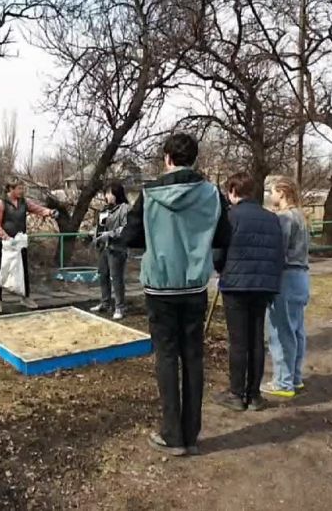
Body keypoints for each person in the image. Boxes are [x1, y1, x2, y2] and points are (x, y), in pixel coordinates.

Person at [118, 133, 222, 457]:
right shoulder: (211, 193)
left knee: (165, 356)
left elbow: (131, 237)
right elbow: (224, 235)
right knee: (193, 357)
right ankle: (191, 435)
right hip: (194, 286)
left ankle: (171, 433)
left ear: (166, 158)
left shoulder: (149, 194)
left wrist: (156, 240)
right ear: (194, 159)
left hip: (160, 287)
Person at [213, 172, 285, 413]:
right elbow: (278, 254)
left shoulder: (230, 216)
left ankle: (236, 394)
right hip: (263, 285)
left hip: (236, 285)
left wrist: (220, 269)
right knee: (256, 339)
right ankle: (253, 395)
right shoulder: (272, 218)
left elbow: (218, 252)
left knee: (238, 341)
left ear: (233, 191)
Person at [261, 177, 310, 399]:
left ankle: (283, 381)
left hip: (286, 276)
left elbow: (277, 251)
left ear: (281, 192)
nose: (269, 195)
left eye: (271, 191)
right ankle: (295, 377)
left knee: (280, 332)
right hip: (301, 276)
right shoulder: (301, 216)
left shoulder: (284, 218)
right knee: (297, 330)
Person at [0, 179, 58, 313]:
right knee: (0, 270)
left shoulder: (23, 202)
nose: (22, 191)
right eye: (19, 188)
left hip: (19, 241)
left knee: (24, 269)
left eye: (22, 188)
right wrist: (6, 237)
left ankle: (25, 297)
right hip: (3, 243)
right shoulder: (1, 203)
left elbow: (37, 209)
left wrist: (49, 212)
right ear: (11, 189)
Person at [90, 183, 131, 320]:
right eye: (106, 193)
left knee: (116, 277)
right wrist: (94, 234)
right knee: (103, 275)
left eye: (109, 193)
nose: (107, 196)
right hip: (103, 247)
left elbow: (126, 228)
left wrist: (110, 234)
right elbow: (99, 226)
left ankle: (120, 307)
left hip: (117, 248)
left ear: (116, 194)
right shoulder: (104, 210)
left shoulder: (124, 209)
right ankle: (105, 302)